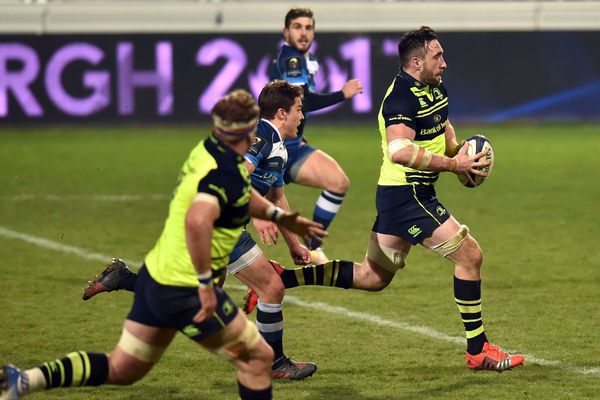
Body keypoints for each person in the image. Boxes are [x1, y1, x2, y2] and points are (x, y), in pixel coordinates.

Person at [0, 89, 326, 400]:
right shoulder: (231, 170)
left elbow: (235, 194)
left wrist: (275, 216)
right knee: (257, 359)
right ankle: (276, 361)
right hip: (186, 287)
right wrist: (203, 284)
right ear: (245, 136)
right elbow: (201, 218)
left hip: (160, 273)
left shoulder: (205, 153)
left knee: (123, 367)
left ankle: (25, 379)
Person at [248, 26, 526, 372]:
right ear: (415, 62)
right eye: (437, 56)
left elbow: (442, 123)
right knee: (470, 255)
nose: (444, 62)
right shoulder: (400, 98)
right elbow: (399, 150)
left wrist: (457, 154)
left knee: (372, 277)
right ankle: (478, 350)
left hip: (409, 195)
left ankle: (281, 278)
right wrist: (454, 164)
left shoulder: (435, 86)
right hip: (407, 194)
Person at [79, 80, 320, 380]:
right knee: (272, 288)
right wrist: (259, 218)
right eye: (299, 110)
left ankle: (123, 278)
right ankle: (274, 364)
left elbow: (278, 197)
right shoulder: (262, 136)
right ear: (282, 113)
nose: (302, 116)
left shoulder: (277, 147)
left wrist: (295, 244)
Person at [268, 7, 363, 262]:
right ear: (286, 32)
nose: (303, 32)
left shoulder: (305, 60)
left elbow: (292, 105)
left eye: (308, 27)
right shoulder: (291, 59)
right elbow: (303, 100)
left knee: (338, 181)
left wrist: (297, 130)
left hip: (293, 146)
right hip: (272, 150)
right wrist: (342, 94)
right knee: (243, 212)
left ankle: (312, 247)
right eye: (297, 27)